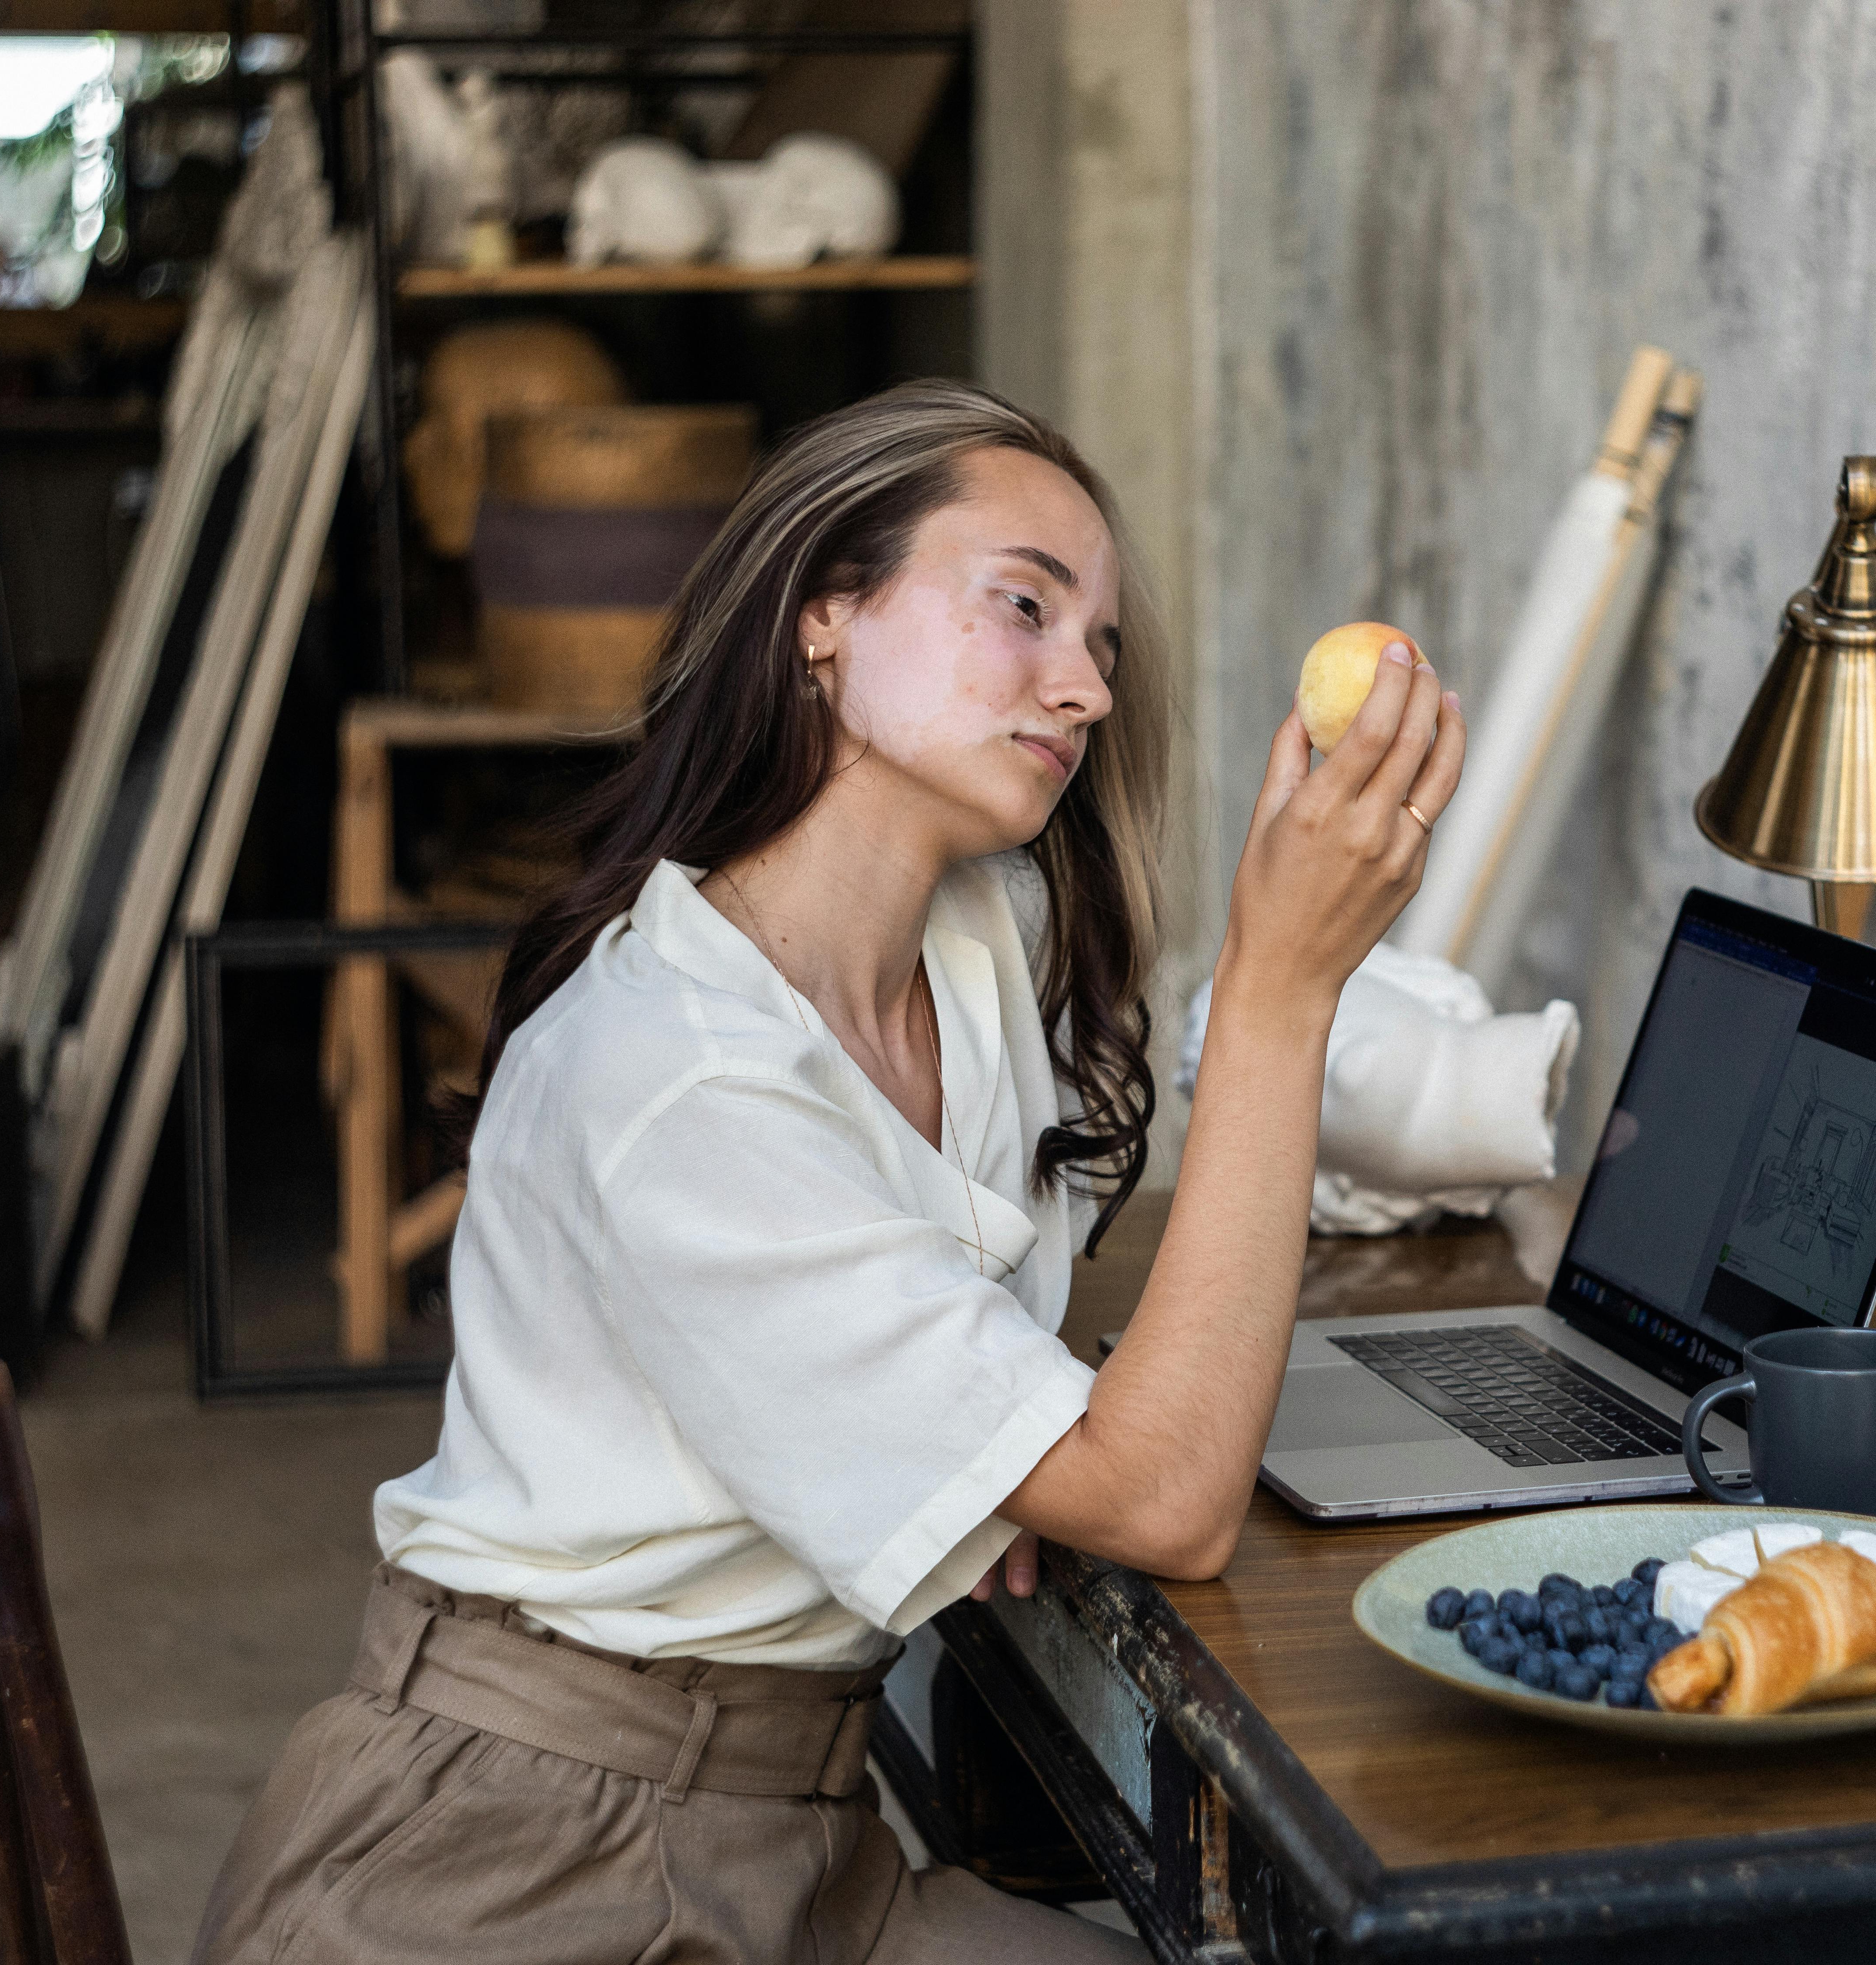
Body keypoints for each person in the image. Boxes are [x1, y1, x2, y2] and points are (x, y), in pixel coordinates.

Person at [193, 380, 1463, 1963]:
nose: (1080, 689)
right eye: (1024, 608)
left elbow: (1079, 1435)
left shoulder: (974, 948)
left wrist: (993, 1430)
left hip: (806, 1843)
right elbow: (1163, 1499)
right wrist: (1282, 994)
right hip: (515, 1862)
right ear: (824, 618)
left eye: (1106, 653)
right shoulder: (682, 1075)